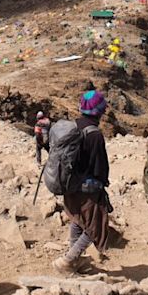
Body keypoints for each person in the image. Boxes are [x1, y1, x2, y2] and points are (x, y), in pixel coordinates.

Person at [52, 90, 111, 274]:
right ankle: (68, 260)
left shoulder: (72, 127)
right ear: (100, 111)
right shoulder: (94, 134)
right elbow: (99, 166)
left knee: (78, 219)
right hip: (87, 188)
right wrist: (102, 184)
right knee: (94, 226)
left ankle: (73, 259)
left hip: (69, 184)